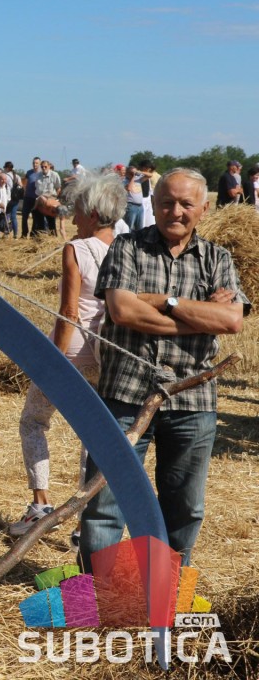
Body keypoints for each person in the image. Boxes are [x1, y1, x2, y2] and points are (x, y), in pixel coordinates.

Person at [80, 168, 247, 569]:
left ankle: (165, 590)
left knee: (184, 508)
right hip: (126, 394)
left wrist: (164, 301)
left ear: (204, 209)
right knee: (105, 503)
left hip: (192, 401)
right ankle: (101, 593)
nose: (176, 211)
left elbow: (231, 320)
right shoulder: (126, 247)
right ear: (152, 206)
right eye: (167, 202)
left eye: (186, 203)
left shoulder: (218, 258)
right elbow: (123, 311)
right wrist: (197, 317)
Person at [8, 172, 125, 544]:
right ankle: (84, 521)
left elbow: (69, 312)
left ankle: (40, 504)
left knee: (34, 420)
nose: (73, 219)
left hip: (72, 351)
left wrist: (52, 360)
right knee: (93, 436)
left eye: (77, 212)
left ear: (92, 214)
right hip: (108, 353)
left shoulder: (77, 249)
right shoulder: (128, 247)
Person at [32, 160, 60, 236]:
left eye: (45, 166)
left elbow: (58, 188)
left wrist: (53, 200)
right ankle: (41, 238)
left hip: (50, 201)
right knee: (39, 221)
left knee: (51, 221)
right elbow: (37, 188)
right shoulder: (38, 175)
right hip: (40, 201)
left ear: (49, 166)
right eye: (42, 167)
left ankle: (53, 237)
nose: (44, 168)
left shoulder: (54, 175)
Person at [21, 156, 42, 238]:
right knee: (24, 216)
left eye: (36, 163)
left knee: (35, 217)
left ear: (39, 164)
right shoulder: (29, 172)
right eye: (33, 163)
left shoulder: (41, 173)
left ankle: (33, 234)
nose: (35, 164)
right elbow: (24, 181)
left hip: (36, 198)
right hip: (27, 197)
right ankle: (24, 233)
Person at [122, 165, 144, 231]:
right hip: (131, 206)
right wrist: (133, 177)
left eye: (134, 173)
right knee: (129, 227)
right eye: (131, 173)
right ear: (127, 173)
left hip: (140, 206)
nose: (133, 174)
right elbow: (129, 188)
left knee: (140, 228)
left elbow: (150, 175)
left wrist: (139, 172)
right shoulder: (124, 181)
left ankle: (139, 238)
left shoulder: (138, 179)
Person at [3, 160, 22, 238]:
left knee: (7, 216)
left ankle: (6, 233)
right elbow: (21, 186)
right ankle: (15, 234)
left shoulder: (5, 176)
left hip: (8, 198)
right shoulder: (17, 176)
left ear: (7, 168)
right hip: (15, 198)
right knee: (14, 217)